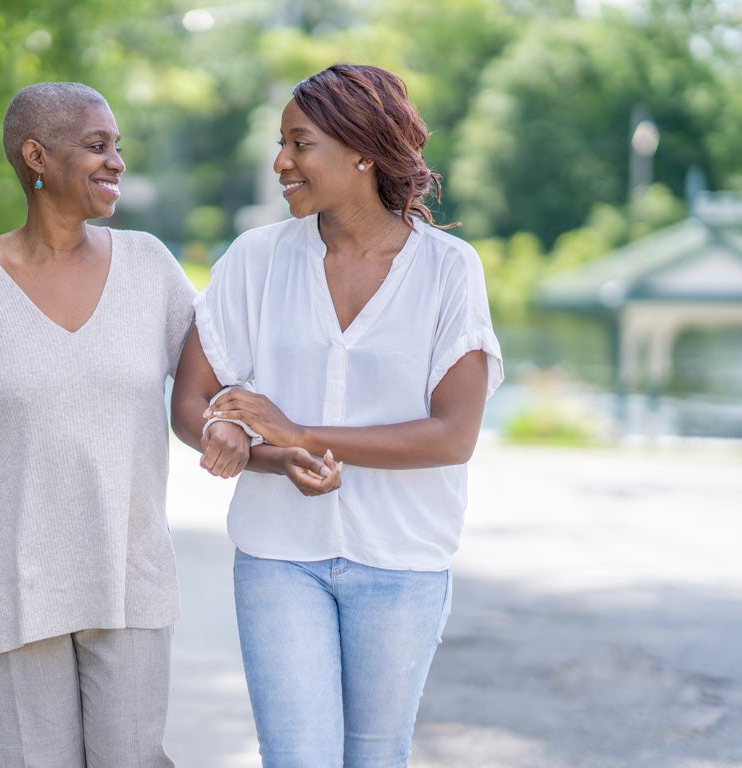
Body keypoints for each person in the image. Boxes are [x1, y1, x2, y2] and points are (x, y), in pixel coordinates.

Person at [171, 63, 504, 768]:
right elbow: (193, 403)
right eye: (282, 143)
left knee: (375, 758)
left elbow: (454, 435)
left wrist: (302, 434)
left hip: (403, 560)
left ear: (361, 150)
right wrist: (249, 444)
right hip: (278, 556)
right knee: (296, 758)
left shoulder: (449, 269)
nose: (280, 162)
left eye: (300, 144)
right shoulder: (255, 259)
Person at [0, 82, 194, 768]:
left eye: (117, 146)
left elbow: (218, 375)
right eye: (97, 146)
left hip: (129, 568)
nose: (117, 161)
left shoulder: (150, 267)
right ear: (37, 156)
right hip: (12, 575)